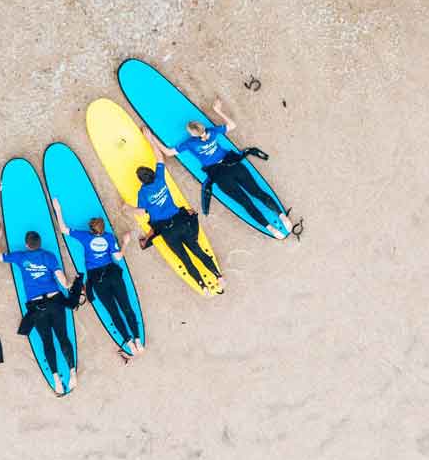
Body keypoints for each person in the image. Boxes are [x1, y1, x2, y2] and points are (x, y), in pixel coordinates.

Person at [161, 98, 288, 238]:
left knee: (245, 202)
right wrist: (218, 110)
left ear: (192, 134)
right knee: (257, 192)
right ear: (202, 127)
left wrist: (151, 140)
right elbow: (232, 125)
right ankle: (282, 217)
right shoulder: (212, 132)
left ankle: (271, 229)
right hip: (233, 164)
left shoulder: (190, 143)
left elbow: (168, 152)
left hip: (219, 174)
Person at [127, 127, 225, 294]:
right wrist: (149, 137)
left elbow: (141, 212)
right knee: (197, 250)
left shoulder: (142, 193)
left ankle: (203, 286)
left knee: (185, 259)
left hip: (167, 230)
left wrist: (126, 208)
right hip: (180, 221)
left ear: (141, 181)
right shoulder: (159, 178)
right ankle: (219, 276)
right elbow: (160, 157)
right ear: (151, 173)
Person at [0, 225, 80, 394]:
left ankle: (56, 380)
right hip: (55, 301)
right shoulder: (49, 256)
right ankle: (72, 372)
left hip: (37, 306)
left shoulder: (20, 256)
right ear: (39, 244)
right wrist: (72, 285)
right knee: (63, 336)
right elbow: (63, 282)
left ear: (27, 244)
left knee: (47, 341)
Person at [51, 200, 142, 358]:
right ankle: (138, 340)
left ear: (91, 230)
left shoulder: (85, 236)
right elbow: (118, 257)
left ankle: (129, 343)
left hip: (97, 279)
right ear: (102, 229)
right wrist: (125, 242)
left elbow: (63, 229)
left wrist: (58, 209)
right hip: (112, 274)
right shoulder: (109, 237)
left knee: (113, 311)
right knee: (126, 307)